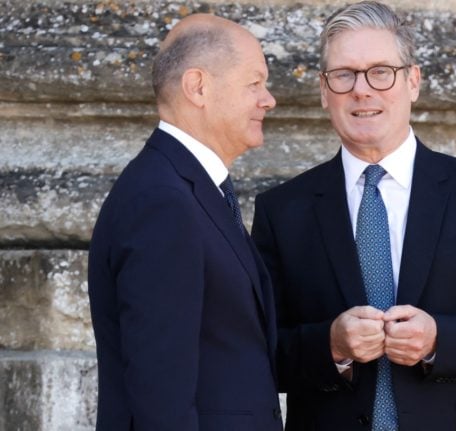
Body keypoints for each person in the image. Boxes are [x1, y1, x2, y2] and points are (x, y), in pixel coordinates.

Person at [251, 2, 456, 430]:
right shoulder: (282, 210)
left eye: (381, 71)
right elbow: (256, 353)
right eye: (343, 74)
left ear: (412, 81)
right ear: (324, 91)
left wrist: (438, 340)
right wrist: (331, 346)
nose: (362, 90)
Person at [88, 13, 282, 430]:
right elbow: (161, 395)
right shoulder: (162, 202)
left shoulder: (188, 189)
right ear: (198, 87)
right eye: (254, 83)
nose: (268, 99)